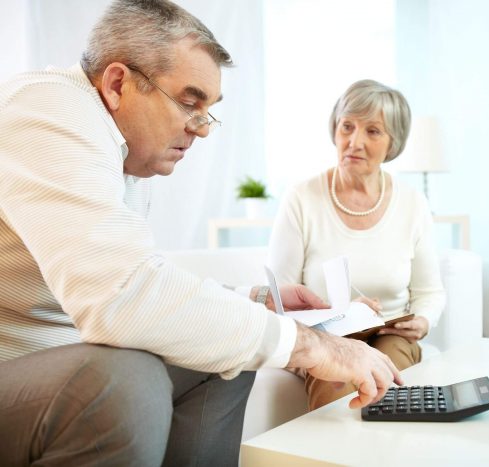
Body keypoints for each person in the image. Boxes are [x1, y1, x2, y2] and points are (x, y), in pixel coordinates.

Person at [0, 2, 401, 466]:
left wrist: (251, 300)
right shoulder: (47, 112)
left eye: (209, 111)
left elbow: (138, 277)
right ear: (116, 84)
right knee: (126, 377)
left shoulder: (122, 157)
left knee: (224, 352)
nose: (203, 129)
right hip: (19, 372)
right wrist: (309, 344)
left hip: (62, 363)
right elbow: (121, 299)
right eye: (190, 103)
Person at [268, 79, 446, 410]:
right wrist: (344, 314)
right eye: (347, 127)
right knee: (337, 387)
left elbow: (430, 292)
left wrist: (423, 319)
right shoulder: (302, 198)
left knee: (387, 380)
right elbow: (278, 295)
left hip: (392, 332)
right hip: (325, 335)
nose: (355, 141)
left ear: (393, 142)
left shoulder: (412, 203)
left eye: (373, 131)